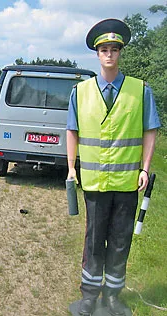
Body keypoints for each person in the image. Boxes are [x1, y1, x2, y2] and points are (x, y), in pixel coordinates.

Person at [66, 19, 161, 316]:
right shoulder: (80, 92)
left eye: (114, 49)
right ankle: (89, 296)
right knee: (94, 241)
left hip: (128, 182)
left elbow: (150, 131)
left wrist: (145, 168)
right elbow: (73, 131)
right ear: (97, 54)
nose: (109, 54)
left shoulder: (140, 90)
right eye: (104, 49)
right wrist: (71, 168)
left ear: (120, 53)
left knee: (120, 241)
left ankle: (112, 297)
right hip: (94, 181)